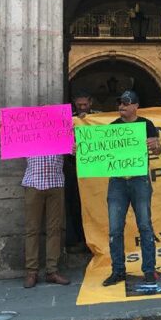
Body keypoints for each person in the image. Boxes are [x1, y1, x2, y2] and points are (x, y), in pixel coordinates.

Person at [0, 125, 71, 288]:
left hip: (56, 184)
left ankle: (52, 270)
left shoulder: (61, 135)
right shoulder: (29, 135)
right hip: (33, 184)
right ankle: (31, 271)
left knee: (55, 229)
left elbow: (75, 149)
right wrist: (0, 135)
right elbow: (9, 145)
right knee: (32, 229)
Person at [103, 90, 161, 286]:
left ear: (136, 106)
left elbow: (157, 150)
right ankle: (118, 270)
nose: (122, 106)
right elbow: (100, 152)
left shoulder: (147, 125)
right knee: (115, 229)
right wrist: (81, 149)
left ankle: (149, 269)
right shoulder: (112, 127)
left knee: (145, 226)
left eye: (126, 103)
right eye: (120, 103)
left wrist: (155, 145)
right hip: (117, 181)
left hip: (140, 180)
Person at [65, 90, 95, 254]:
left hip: (95, 171)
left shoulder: (100, 118)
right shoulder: (70, 120)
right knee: (76, 206)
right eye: (79, 105)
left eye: (85, 104)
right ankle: (79, 239)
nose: (82, 107)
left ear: (91, 103)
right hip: (74, 169)